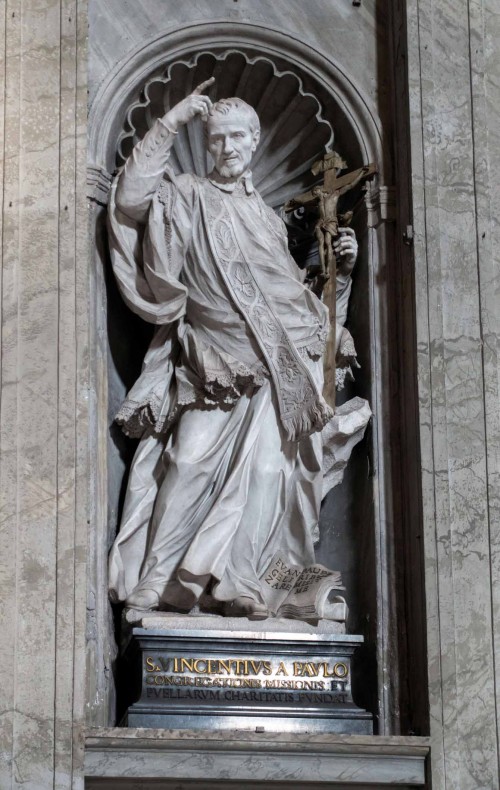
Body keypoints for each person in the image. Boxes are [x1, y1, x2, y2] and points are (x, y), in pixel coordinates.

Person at [107, 79, 367, 619]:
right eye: (216, 139)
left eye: (236, 139)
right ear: (206, 145)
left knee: (270, 477)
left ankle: (241, 584)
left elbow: (293, 302)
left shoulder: (269, 221)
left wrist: (339, 273)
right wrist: (170, 122)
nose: (225, 149)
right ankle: (157, 583)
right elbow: (130, 201)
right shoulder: (185, 195)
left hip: (275, 372)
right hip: (213, 362)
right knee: (187, 462)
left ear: (254, 143)